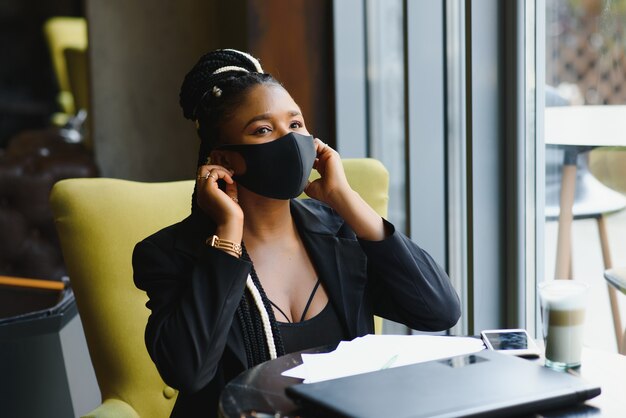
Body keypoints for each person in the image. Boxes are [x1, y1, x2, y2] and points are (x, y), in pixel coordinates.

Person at [133, 48, 461, 418]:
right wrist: (228, 234)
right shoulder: (170, 254)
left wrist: (345, 200)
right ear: (223, 161)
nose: (289, 141)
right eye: (262, 129)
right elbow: (188, 371)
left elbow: (439, 310)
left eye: (295, 124)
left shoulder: (340, 232)